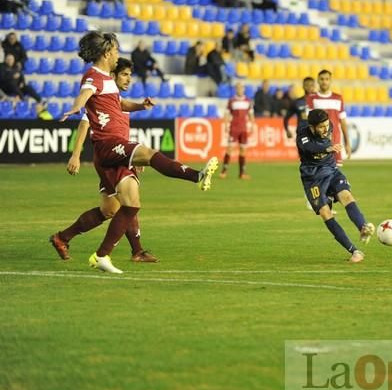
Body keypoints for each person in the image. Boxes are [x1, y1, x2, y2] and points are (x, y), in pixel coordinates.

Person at [57, 31, 218, 273]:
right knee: (151, 155)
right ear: (107, 52)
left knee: (125, 206)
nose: (118, 54)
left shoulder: (108, 82)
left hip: (116, 147)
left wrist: (140, 106)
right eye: (117, 50)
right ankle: (197, 176)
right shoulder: (93, 76)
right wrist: (75, 109)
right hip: (108, 145)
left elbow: (119, 104)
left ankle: (100, 253)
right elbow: (85, 95)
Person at [50, 58, 158, 263]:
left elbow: (120, 134)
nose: (128, 79)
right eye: (124, 74)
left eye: (130, 75)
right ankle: (137, 251)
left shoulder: (117, 100)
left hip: (119, 155)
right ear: (113, 75)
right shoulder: (101, 98)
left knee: (110, 209)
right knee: (128, 202)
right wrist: (76, 155)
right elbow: (84, 125)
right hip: (110, 159)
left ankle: (62, 238)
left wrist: (133, 157)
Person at [297, 108, 375, 263]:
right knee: (326, 213)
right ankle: (354, 251)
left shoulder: (329, 125)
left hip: (331, 170)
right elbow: (310, 148)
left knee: (347, 195)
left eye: (326, 125)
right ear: (311, 127)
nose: (326, 129)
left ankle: (363, 228)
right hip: (312, 177)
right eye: (321, 127)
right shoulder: (302, 133)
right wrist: (327, 148)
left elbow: (327, 137)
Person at [306, 69, 350, 167]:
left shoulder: (338, 98)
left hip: (335, 143)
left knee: (334, 177)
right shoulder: (312, 98)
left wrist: (347, 143)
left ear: (330, 81)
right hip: (319, 144)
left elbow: (343, 122)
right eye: (322, 79)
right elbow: (308, 123)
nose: (324, 81)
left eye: (327, 79)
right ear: (318, 81)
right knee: (319, 177)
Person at [219, 82, 253, 180]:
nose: (239, 90)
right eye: (238, 88)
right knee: (229, 149)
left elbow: (251, 114)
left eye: (241, 88)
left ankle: (242, 173)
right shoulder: (232, 101)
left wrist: (252, 125)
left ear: (243, 89)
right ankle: (224, 171)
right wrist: (225, 125)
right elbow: (226, 113)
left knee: (243, 150)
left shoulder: (248, 101)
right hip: (234, 128)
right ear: (235, 89)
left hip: (243, 129)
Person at [0, 53, 49, 118]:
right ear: (5, 60)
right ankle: (23, 100)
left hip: (17, 87)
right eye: (9, 59)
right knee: (12, 84)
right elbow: (1, 78)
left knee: (27, 87)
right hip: (6, 88)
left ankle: (40, 100)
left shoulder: (16, 67)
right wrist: (12, 76)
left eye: (11, 59)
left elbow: (21, 76)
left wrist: (22, 82)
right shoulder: (2, 67)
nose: (10, 61)